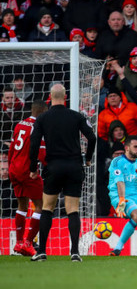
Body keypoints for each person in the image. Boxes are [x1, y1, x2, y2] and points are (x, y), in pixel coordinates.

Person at [28, 84, 97, 262]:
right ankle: (74, 252)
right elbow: (92, 137)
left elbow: (34, 142)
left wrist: (33, 168)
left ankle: (42, 251)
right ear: (65, 97)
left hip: (54, 166)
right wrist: (87, 158)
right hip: (74, 167)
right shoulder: (76, 116)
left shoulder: (42, 118)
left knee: (47, 208)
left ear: (50, 98)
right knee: (72, 209)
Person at [9, 100, 48, 256]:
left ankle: (18, 244)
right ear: (42, 112)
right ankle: (28, 243)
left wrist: (12, 166)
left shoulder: (19, 124)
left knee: (22, 205)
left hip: (14, 168)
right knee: (42, 205)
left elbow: (12, 148)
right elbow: (42, 153)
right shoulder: (38, 127)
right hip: (27, 170)